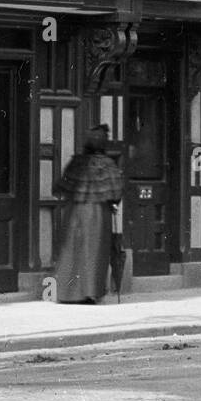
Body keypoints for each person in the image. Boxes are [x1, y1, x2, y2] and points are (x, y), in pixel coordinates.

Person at [52, 124, 124, 304]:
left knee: (72, 249)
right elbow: (116, 193)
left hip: (75, 211)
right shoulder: (107, 164)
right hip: (98, 214)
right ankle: (90, 292)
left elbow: (60, 187)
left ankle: (67, 293)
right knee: (94, 252)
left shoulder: (76, 162)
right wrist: (112, 202)